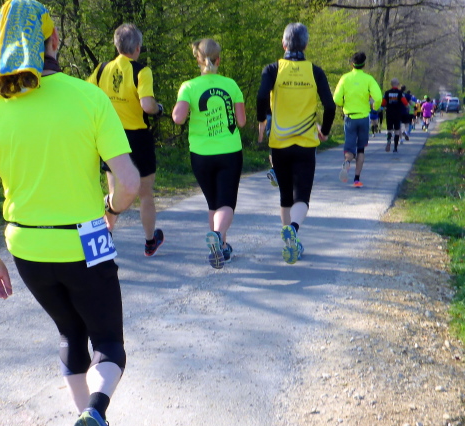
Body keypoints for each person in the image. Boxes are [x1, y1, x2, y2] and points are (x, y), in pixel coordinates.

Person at [0, 0, 140, 426]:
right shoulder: (87, 96)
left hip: (26, 247)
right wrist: (112, 210)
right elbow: (128, 182)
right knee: (109, 344)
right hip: (86, 239)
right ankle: (96, 414)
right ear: (54, 41)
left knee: (70, 333)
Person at [257, 23, 336, 264]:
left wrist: (262, 121)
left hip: (279, 142)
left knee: (285, 195)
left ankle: (289, 241)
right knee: (301, 195)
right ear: (306, 45)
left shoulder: (272, 69)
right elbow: (330, 106)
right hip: (305, 143)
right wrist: (324, 131)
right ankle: (293, 229)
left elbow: (261, 96)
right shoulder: (315, 71)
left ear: (284, 44)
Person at [88, 24, 165, 257]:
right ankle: (150, 241)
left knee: (115, 193)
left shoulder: (101, 69)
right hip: (137, 137)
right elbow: (147, 105)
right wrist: (159, 109)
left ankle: (105, 237)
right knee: (145, 193)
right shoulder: (142, 71)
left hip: (110, 135)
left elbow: (88, 97)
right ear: (138, 47)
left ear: (116, 45)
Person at [172, 39, 246, 269]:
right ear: (218, 60)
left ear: (198, 60)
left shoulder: (188, 87)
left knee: (213, 202)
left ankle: (221, 247)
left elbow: (178, 118)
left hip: (201, 154)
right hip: (229, 151)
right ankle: (217, 235)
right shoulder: (231, 85)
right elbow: (242, 121)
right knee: (226, 202)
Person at [332, 51, 382, 188]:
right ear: (364, 64)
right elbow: (378, 97)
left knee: (349, 147)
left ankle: (347, 162)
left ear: (352, 64)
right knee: (361, 149)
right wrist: (375, 107)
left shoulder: (345, 78)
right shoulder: (368, 79)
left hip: (350, 117)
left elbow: (336, 98)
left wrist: (343, 104)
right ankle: (356, 179)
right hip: (364, 117)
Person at [381, 78, 408, 153]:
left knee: (389, 129)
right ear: (398, 84)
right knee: (397, 130)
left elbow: (383, 103)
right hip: (397, 113)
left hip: (389, 113)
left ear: (391, 84)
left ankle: (389, 141)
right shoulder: (400, 93)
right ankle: (395, 147)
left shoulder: (387, 93)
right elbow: (405, 103)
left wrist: (383, 107)